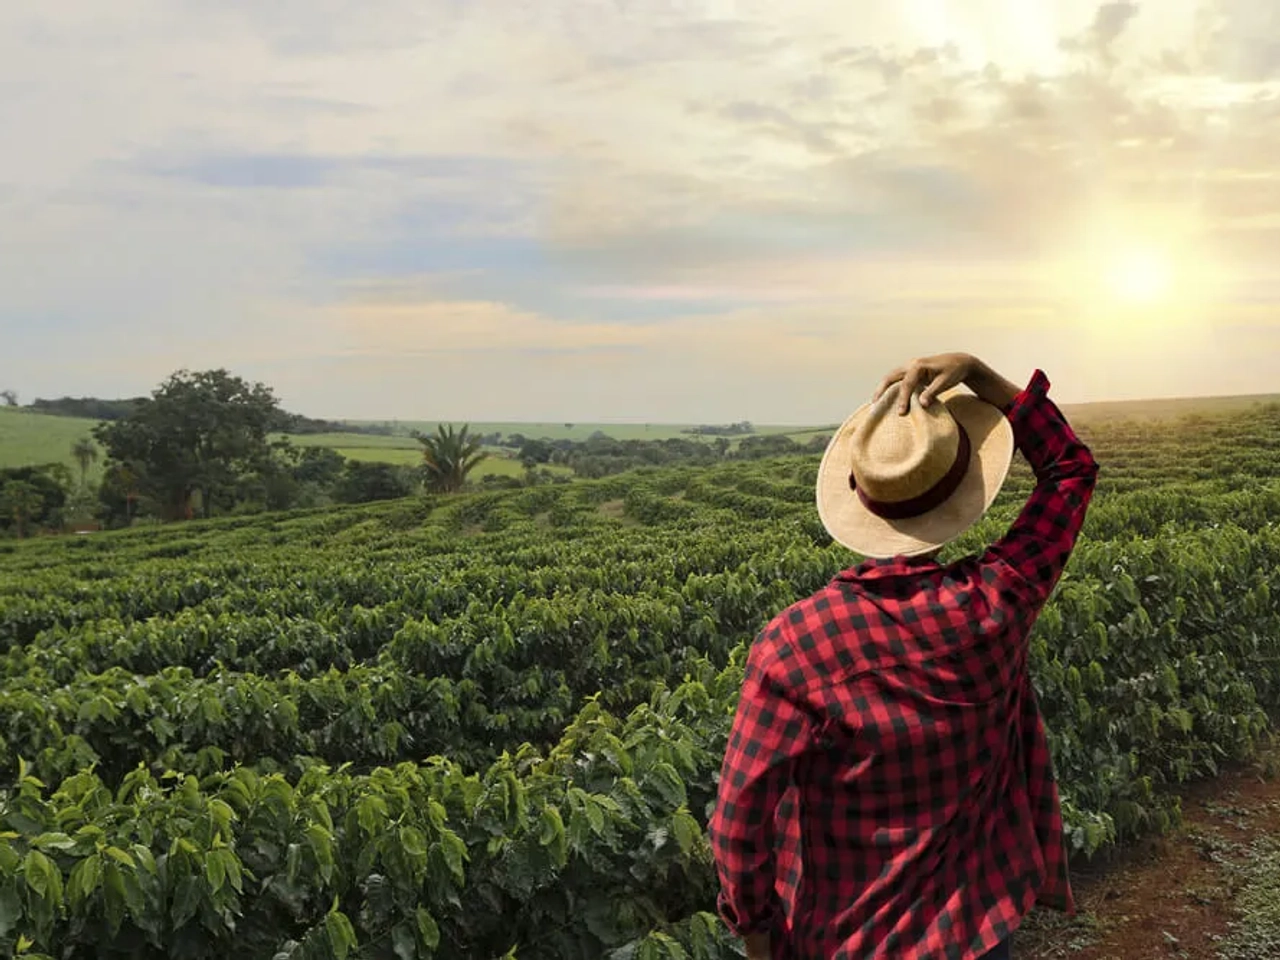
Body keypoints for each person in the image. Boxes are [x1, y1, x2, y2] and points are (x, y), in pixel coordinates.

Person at [706, 353, 1099, 960]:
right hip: (978, 926)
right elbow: (1070, 470)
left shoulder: (795, 647)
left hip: (851, 939)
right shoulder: (997, 604)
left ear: (859, 498)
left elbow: (738, 825)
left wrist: (758, 938)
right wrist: (979, 375)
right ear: (965, 493)